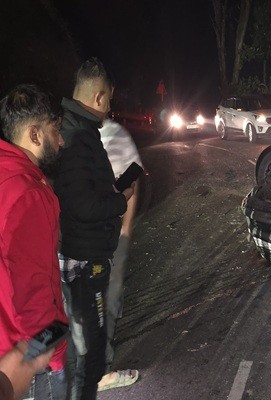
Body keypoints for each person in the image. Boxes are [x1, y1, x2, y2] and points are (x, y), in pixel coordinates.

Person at [52, 58, 135, 400]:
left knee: (89, 345)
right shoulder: (76, 137)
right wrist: (120, 201)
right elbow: (82, 206)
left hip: (88, 258)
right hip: (85, 265)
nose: (110, 108)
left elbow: (83, 191)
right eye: (109, 100)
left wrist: (112, 189)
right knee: (90, 350)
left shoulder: (79, 131)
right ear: (99, 98)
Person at [0, 84, 68, 400]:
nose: (61, 140)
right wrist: (55, 356)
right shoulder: (29, 194)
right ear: (35, 135)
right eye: (55, 131)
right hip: (19, 358)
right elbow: (33, 286)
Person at [96, 118, 141, 391]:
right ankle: (99, 371)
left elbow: (131, 182)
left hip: (105, 239)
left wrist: (124, 233)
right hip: (86, 242)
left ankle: (99, 368)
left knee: (107, 300)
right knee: (99, 302)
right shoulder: (79, 135)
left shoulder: (113, 135)